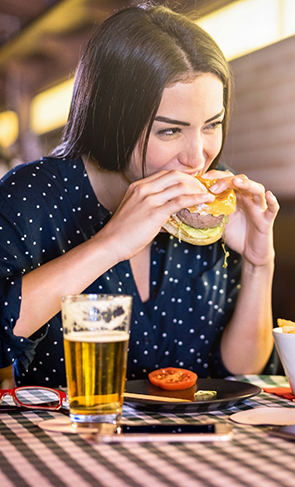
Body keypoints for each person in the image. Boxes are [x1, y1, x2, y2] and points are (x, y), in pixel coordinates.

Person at [0, 4, 279, 388]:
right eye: (169, 132)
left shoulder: (214, 208)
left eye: (212, 125)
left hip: (193, 440)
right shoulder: (34, 195)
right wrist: (110, 243)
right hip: (67, 441)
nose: (197, 157)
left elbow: (239, 369)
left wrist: (258, 263)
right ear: (112, 119)